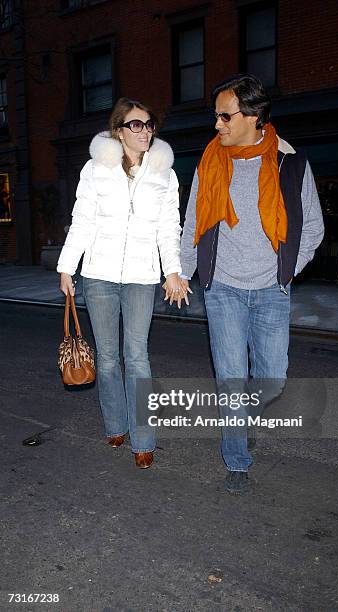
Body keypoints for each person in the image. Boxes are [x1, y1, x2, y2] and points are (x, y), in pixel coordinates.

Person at [179, 74, 324, 493]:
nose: (218, 125)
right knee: (230, 379)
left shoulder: (289, 163)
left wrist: (287, 269)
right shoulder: (210, 162)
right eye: (217, 117)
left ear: (253, 115)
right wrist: (183, 272)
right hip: (222, 288)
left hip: (270, 291)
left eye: (225, 116)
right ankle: (237, 460)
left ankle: (244, 415)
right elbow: (194, 223)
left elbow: (312, 226)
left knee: (272, 379)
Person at [57, 98, 188, 469]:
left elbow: (169, 227)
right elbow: (82, 218)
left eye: (149, 125)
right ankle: (116, 423)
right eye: (136, 125)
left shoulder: (165, 173)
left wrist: (172, 270)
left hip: (142, 277)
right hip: (98, 274)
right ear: (119, 130)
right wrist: (67, 267)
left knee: (137, 356)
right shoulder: (96, 169)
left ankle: (143, 439)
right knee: (110, 359)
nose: (145, 131)